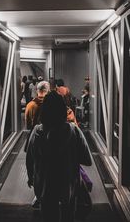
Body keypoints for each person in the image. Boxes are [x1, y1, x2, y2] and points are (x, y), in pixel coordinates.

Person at [26, 91, 92, 222]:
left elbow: (30, 159)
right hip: (68, 185)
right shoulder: (74, 131)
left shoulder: (37, 132)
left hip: (45, 186)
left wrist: (31, 177)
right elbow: (87, 160)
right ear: (63, 110)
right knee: (69, 216)